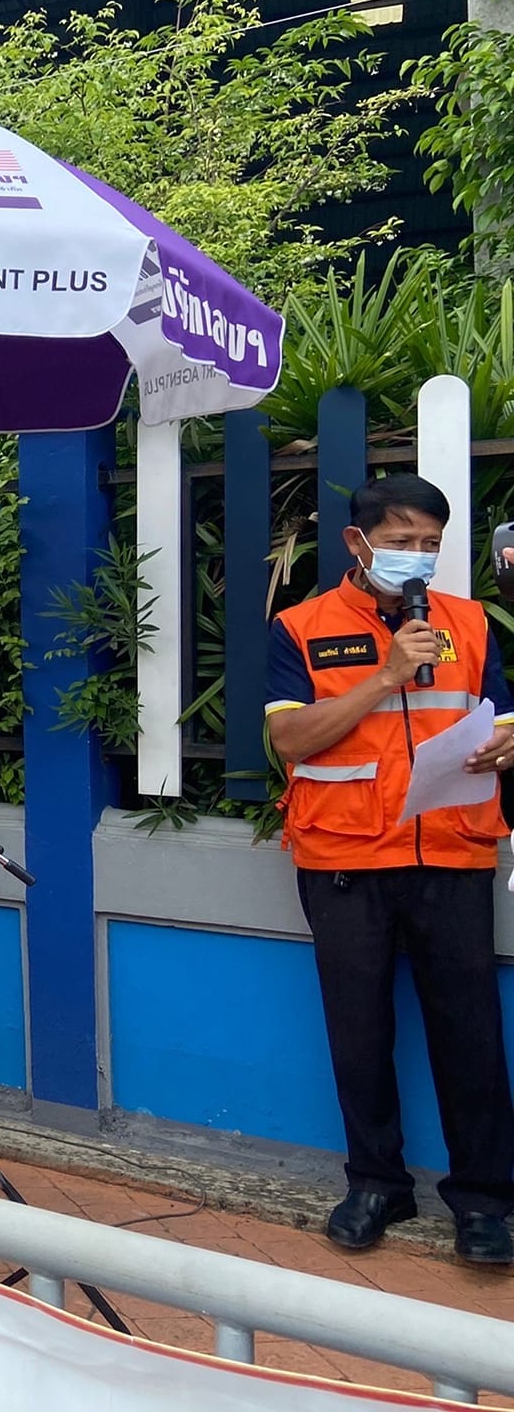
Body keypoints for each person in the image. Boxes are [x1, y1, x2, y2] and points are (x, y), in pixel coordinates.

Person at [267, 474, 514, 1263]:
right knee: (360, 1032)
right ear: (358, 542)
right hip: (344, 858)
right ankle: (376, 1183)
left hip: (452, 850)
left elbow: (501, 718)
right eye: (402, 541)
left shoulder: (468, 623)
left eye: (430, 544)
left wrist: (506, 743)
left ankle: (485, 1201)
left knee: (471, 1033)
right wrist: (384, 675)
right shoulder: (300, 627)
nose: (419, 556)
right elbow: (290, 740)